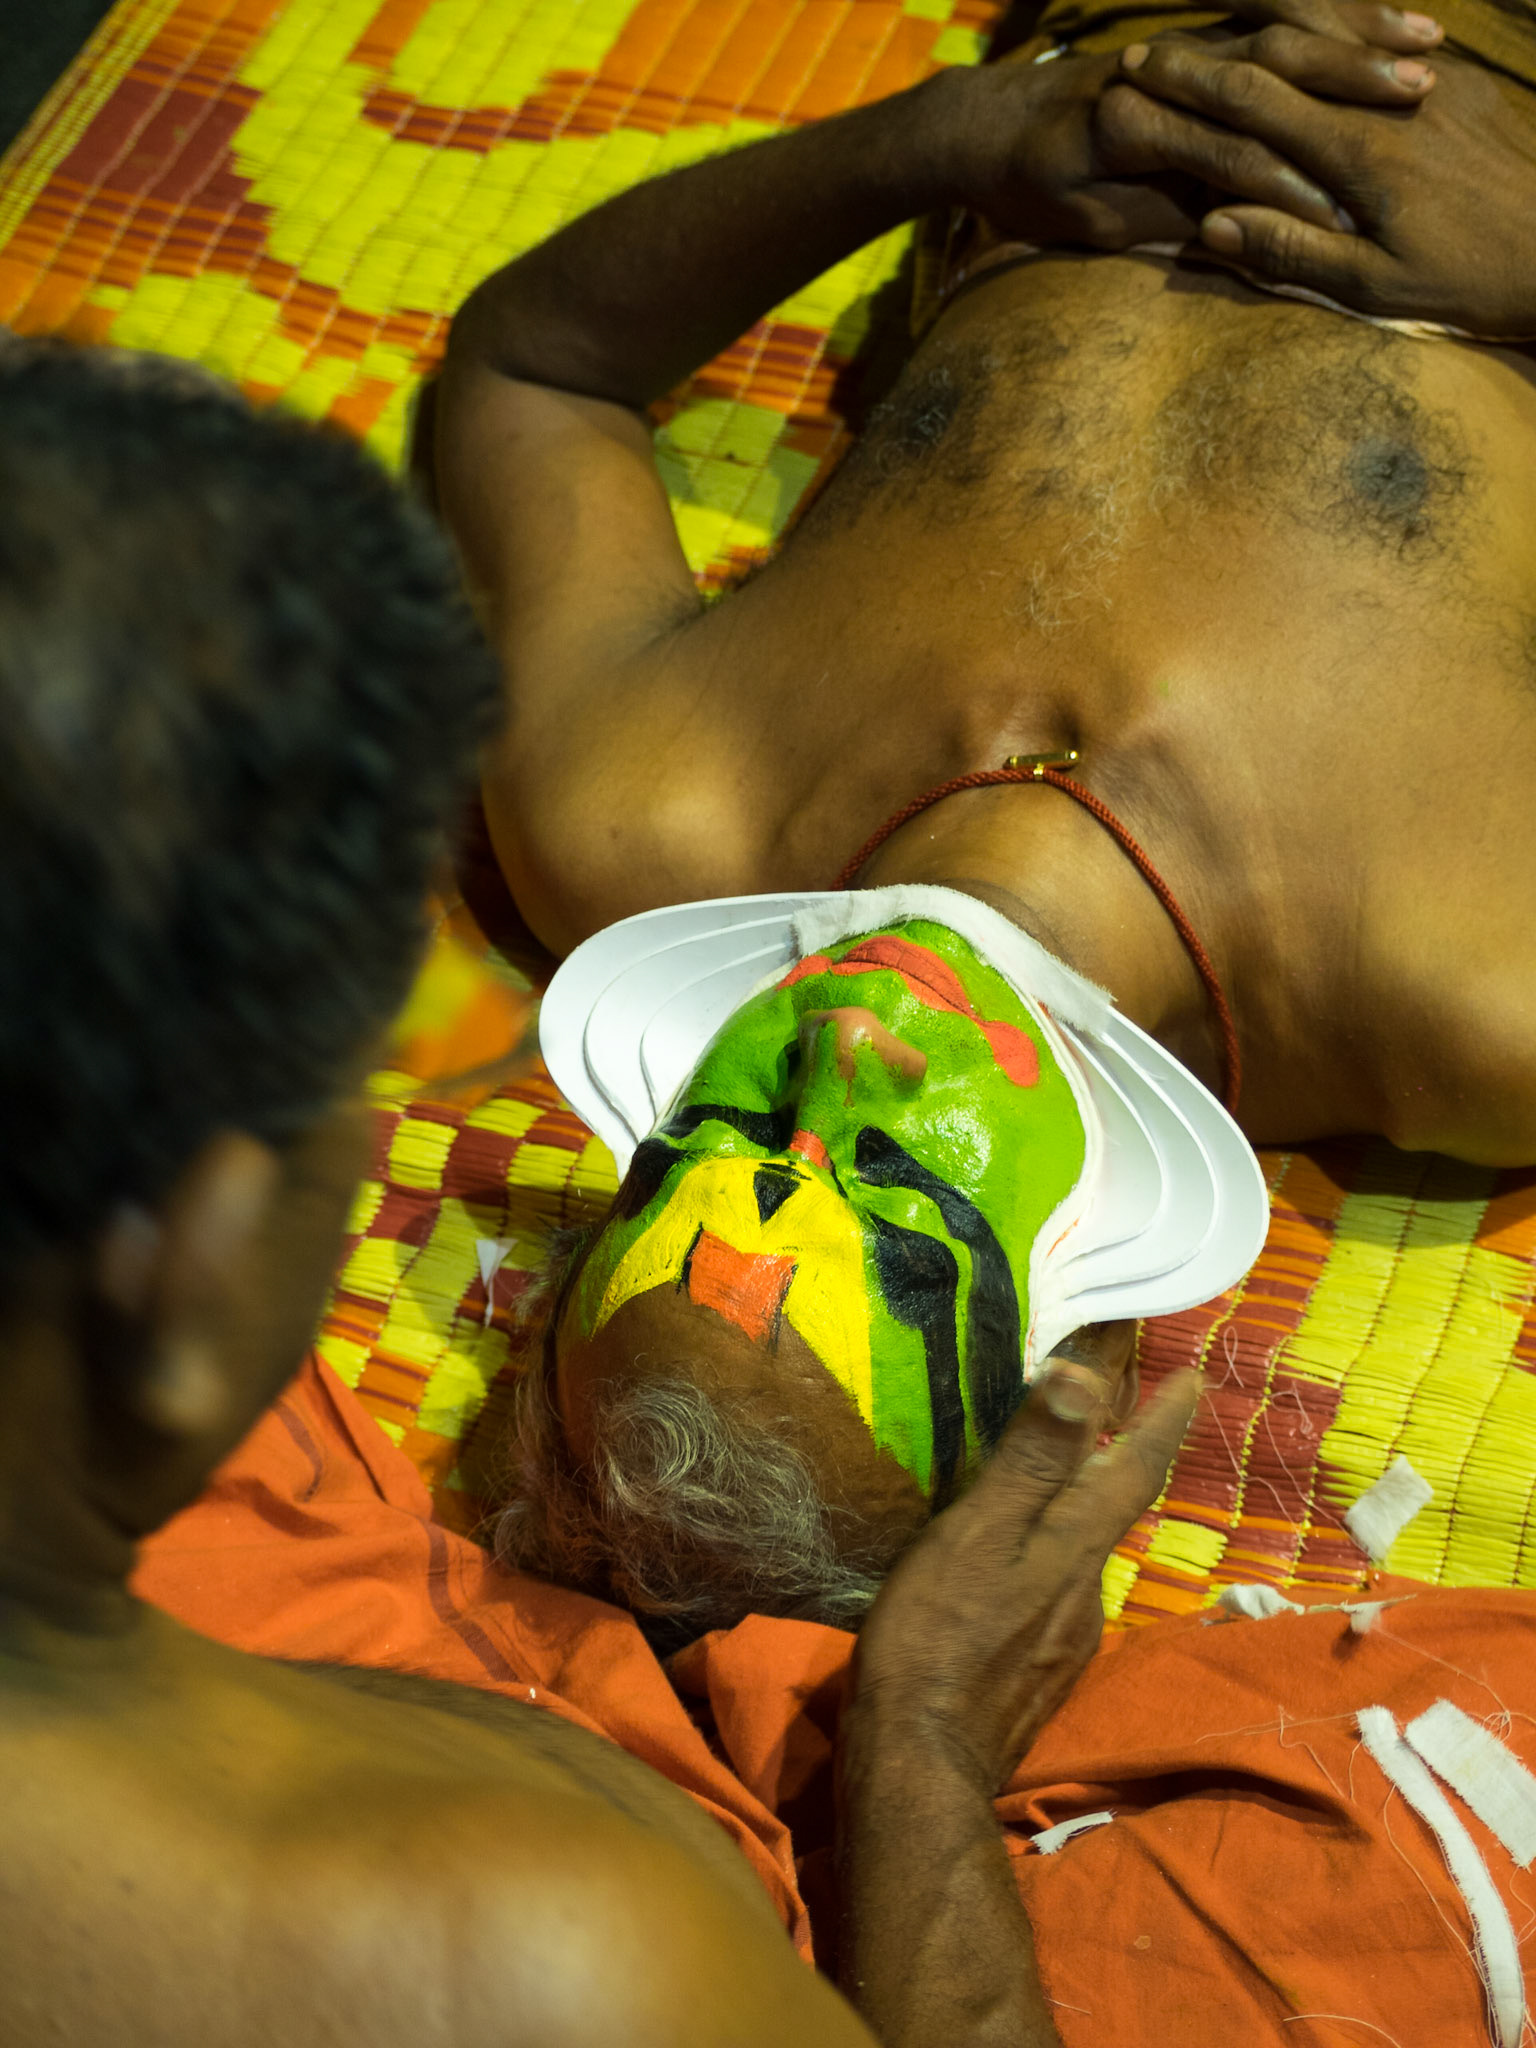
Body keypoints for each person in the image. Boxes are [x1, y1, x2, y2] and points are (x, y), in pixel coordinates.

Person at [0, 327, 1213, 2048]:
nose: (842, 1067)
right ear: (188, 1266)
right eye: (347, 1094)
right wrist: (922, 1755)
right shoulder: (542, 1957)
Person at [431, 0, 1536, 1635]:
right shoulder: (1473, 987)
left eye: (728, 1138)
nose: (851, 1055)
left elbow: (529, 371)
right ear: (1067, 1344)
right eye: (894, 1184)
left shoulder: (648, 804)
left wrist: (951, 135)